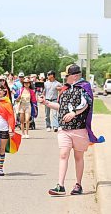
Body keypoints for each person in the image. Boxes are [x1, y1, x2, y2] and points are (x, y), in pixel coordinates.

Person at [40, 64, 103, 196]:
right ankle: (60, 185)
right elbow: (61, 107)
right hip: (64, 129)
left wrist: (74, 113)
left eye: (67, 75)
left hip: (79, 129)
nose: (65, 78)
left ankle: (78, 184)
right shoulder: (64, 89)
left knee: (78, 157)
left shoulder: (84, 88)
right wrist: (46, 103)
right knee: (63, 154)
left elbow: (86, 104)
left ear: (74, 76)